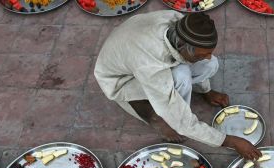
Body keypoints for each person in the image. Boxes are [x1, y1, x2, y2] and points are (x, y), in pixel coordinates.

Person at [94, 11, 261, 160]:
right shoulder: (149, 63)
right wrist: (229, 141)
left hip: (133, 42)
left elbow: (200, 57)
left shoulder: (182, 24)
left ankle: (197, 92)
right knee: (181, 77)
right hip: (120, 80)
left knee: (211, 64)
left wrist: (206, 91)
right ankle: (159, 120)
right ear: (183, 48)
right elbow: (181, 120)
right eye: (203, 53)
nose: (208, 56)